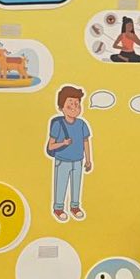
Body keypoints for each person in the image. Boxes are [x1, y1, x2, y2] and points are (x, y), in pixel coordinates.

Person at [46, 84, 92, 221]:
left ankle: (75, 207)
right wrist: (63, 143)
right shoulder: (58, 125)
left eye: (77, 104)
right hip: (62, 161)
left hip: (78, 160)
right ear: (61, 107)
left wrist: (88, 160)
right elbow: (51, 146)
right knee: (61, 184)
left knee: (76, 185)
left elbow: (86, 142)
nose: (74, 107)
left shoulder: (82, 124)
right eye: (70, 104)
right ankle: (58, 208)